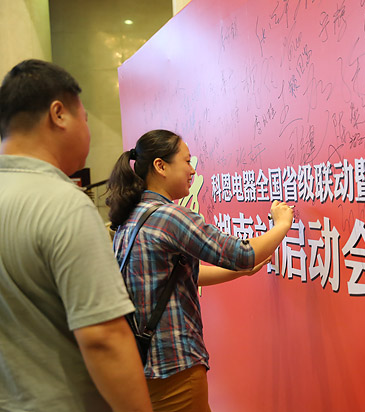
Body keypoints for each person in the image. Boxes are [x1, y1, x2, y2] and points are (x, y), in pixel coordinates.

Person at [0, 59, 153, 412]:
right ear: (58, 114)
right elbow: (104, 338)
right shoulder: (63, 204)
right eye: (84, 118)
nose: (88, 130)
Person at [106, 129, 293, 412]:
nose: (192, 169)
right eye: (186, 161)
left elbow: (174, 276)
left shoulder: (131, 216)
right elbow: (242, 254)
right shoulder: (170, 217)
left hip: (143, 366)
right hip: (175, 370)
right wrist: (282, 225)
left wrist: (240, 273)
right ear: (160, 166)